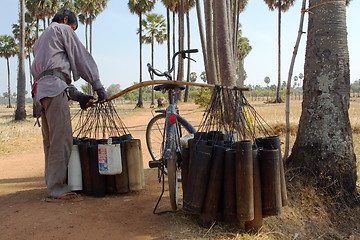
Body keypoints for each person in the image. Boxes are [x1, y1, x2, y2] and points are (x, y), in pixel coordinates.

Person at [31, 9, 108, 202]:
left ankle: (52, 184)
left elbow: (52, 73)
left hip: (42, 94)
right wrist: (98, 86)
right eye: (74, 28)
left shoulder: (40, 41)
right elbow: (81, 58)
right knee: (62, 141)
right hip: (54, 91)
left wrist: (78, 95)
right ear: (66, 20)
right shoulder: (61, 29)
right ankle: (57, 189)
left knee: (50, 142)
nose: (73, 32)